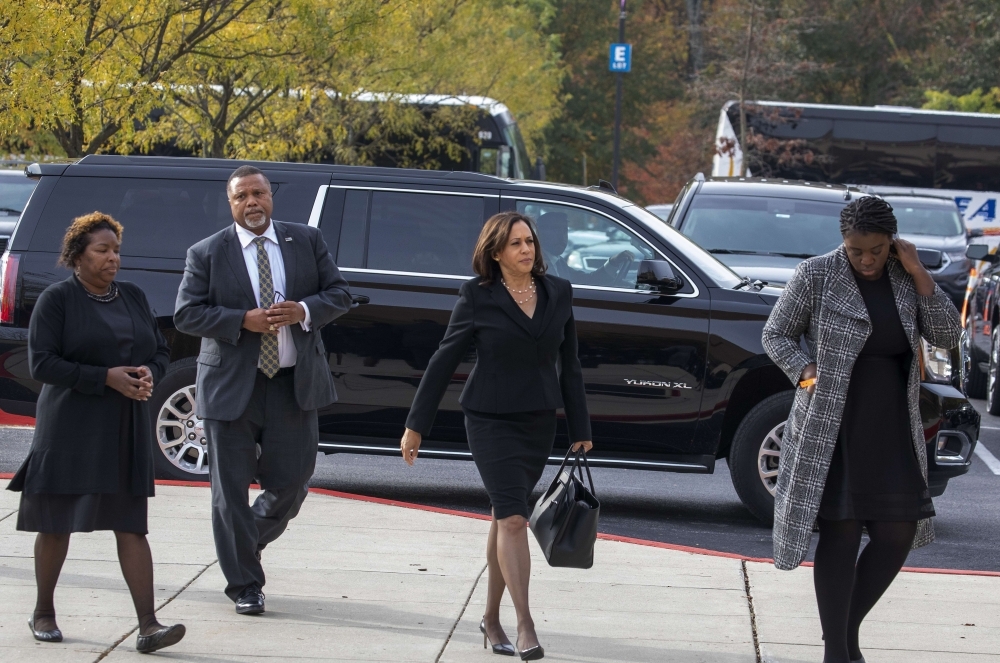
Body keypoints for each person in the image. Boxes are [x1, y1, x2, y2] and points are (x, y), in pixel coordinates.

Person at [762, 196, 961, 663]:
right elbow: (776, 334)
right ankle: (839, 652)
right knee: (842, 533)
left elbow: (948, 335)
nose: (867, 260)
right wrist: (806, 374)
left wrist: (918, 272)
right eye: (857, 251)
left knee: (897, 534)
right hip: (833, 424)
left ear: (892, 242)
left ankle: (845, 635)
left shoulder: (904, 275)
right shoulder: (817, 274)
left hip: (892, 424)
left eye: (876, 249)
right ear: (843, 243)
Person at [400, 211, 592, 661]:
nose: (527, 250)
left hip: (537, 422)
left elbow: (572, 363)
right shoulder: (476, 296)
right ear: (495, 253)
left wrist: (580, 428)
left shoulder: (558, 292)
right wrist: (416, 425)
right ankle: (525, 623)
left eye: (530, 241)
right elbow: (444, 360)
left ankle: (489, 617)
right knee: (512, 519)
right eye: (516, 244)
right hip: (488, 419)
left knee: (503, 517)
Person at [174, 165, 352, 615]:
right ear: (230, 204)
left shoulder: (305, 242)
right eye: (241, 197)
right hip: (232, 387)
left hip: (293, 384)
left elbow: (340, 294)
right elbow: (186, 314)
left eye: (259, 194)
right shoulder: (207, 252)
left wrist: (305, 311)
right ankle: (245, 586)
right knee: (228, 491)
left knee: (292, 484)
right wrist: (241, 320)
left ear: (271, 198)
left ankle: (242, 542)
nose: (252, 203)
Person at [7, 212, 184, 653]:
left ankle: (149, 626)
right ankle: (43, 612)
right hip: (70, 427)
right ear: (77, 256)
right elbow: (42, 364)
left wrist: (148, 372)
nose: (113, 259)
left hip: (123, 425)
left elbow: (161, 350)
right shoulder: (57, 300)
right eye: (102, 251)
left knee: (130, 524)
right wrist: (104, 377)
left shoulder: (134, 297)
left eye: (116, 251)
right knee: (56, 523)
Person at [534, 211, 634, 286]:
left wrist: (612, 262)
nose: (562, 236)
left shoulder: (558, 261)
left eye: (565, 230)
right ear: (540, 233)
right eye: (555, 230)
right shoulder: (536, 266)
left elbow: (588, 280)